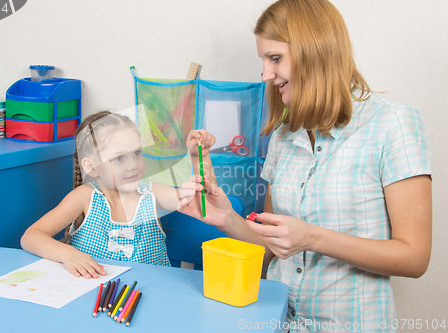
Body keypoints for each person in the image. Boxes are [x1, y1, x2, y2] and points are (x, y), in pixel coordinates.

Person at [180, 0, 432, 331]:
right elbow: (272, 248)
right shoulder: (283, 137)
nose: (266, 75)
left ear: (315, 51)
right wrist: (226, 218)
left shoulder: (393, 123)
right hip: (278, 321)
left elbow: (414, 257)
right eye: (263, 61)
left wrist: (313, 238)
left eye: (275, 59)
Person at [21, 111, 215, 279]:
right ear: (92, 167)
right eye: (119, 158)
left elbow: (203, 201)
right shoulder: (84, 198)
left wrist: (200, 157)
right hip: (95, 298)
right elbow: (30, 237)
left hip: (154, 297)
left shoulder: (153, 193)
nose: (133, 165)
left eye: (137, 153)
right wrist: (67, 254)